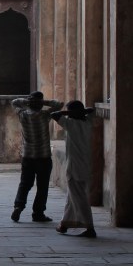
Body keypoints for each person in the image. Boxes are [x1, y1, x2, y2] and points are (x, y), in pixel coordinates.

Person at [10, 91, 63, 222]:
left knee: (25, 183)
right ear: (39, 104)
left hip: (28, 155)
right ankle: (38, 213)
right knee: (42, 186)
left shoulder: (23, 115)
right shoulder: (45, 115)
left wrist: (28, 101)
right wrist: (43, 102)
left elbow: (14, 102)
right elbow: (59, 104)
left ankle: (18, 206)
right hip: (43, 156)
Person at [51, 100, 96, 238]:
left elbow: (54, 114)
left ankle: (89, 227)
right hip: (85, 165)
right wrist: (80, 111)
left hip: (75, 166)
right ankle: (65, 223)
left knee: (79, 197)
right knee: (72, 196)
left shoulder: (71, 124)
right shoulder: (88, 123)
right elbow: (91, 110)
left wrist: (68, 112)